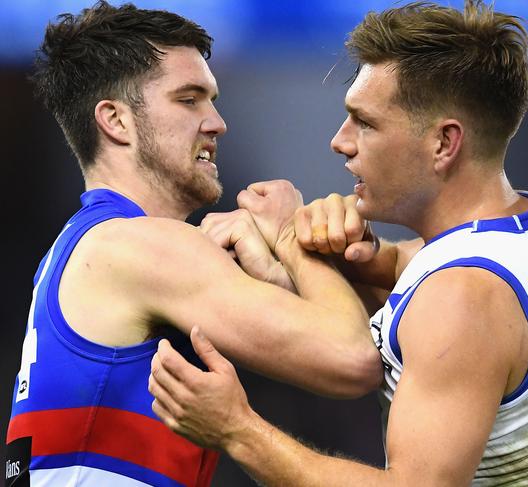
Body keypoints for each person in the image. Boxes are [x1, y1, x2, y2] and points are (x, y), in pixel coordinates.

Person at [148, 1, 528, 485]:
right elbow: (406, 274)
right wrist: (315, 258)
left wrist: (237, 429)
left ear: (444, 143)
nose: (340, 141)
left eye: (365, 123)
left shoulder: (463, 295)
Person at [4, 2, 383, 486]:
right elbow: (350, 357)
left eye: (213, 99)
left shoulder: (86, 247)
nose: (217, 122)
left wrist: (277, 276)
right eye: (189, 100)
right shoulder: (137, 246)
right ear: (115, 121)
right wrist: (292, 234)